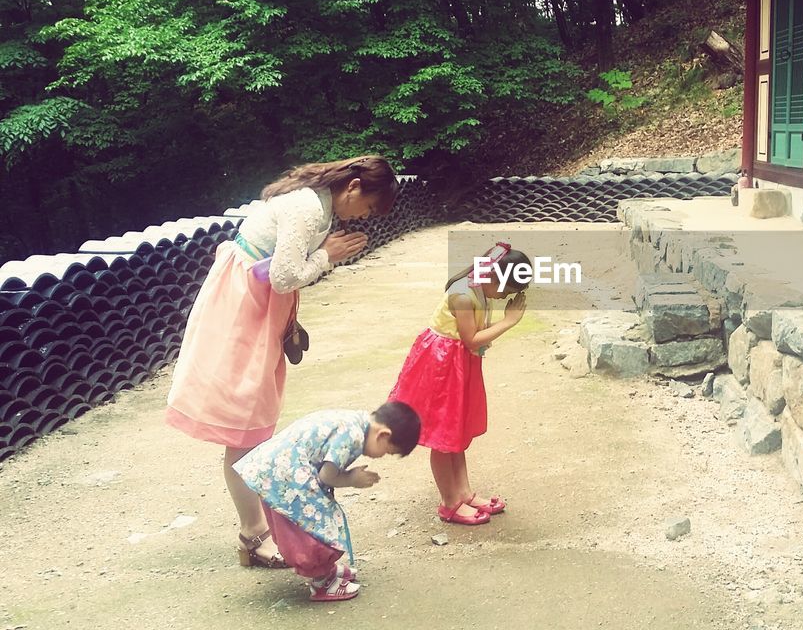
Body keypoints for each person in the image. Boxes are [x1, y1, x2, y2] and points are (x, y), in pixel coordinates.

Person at [166, 156, 400, 568]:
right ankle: (253, 535)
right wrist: (327, 256)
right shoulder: (308, 208)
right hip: (244, 309)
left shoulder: (320, 209)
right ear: (354, 187)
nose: (361, 216)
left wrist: (325, 252)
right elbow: (283, 276)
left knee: (252, 426)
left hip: (257, 308)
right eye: (366, 206)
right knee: (242, 429)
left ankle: (254, 531)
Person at [388, 242, 530, 525]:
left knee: (456, 432)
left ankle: (463, 492)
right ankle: (449, 502)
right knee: (443, 438)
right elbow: (471, 339)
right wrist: (509, 321)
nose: (504, 298)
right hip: (442, 366)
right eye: (506, 290)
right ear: (494, 277)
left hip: (458, 363)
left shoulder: (480, 285)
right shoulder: (464, 296)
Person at [233, 401, 421, 602]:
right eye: (387, 451)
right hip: (287, 475)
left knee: (309, 520)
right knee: (315, 524)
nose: (382, 456)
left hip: (276, 468)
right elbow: (327, 476)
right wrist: (351, 479)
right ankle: (321, 582)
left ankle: (325, 570)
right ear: (383, 435)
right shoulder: (353, 436)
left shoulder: (355, 420)